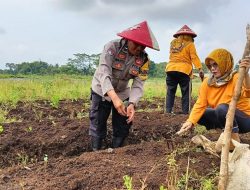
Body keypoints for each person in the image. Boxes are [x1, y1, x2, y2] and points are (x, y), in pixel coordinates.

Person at [89, 21, 160, 151]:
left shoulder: (144, 60)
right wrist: (114, 99)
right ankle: (96, 153)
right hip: (101, 90)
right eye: (136, 44)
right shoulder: (112, 47)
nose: (139, 48)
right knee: (98, 123)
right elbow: (104, 73)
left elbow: (138, 83)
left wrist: (132, 103)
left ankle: (118, 152)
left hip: (122, 92)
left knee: (123, 124)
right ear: (128, 39)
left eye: (143, 46)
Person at [179, 48, 250, 147]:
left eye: (216, 64)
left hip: (245, 119)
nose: (212, 68)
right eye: (210, 65)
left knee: (222, 109)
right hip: (224, 116)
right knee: (202, 113)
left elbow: (248, 93)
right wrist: (190, 121)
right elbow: (200, 104)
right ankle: (224, 133)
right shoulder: (208, 83)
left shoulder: (236, 77)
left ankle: (234, 143)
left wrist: (246, 74)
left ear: (225, 63)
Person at [165, 25, 204, 114]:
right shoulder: (190, 44)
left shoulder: (173, 43)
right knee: (185, 92)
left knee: (170, 91)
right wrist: (200, 68)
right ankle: (185, 112)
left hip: (170, 69)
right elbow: (194, 57)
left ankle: (168, 111)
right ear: (190, 36)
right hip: (184, 70)